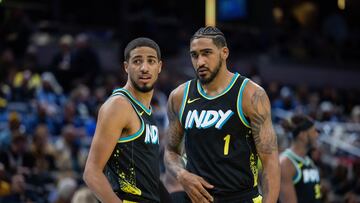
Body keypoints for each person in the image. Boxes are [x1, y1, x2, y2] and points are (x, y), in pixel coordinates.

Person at [164, 26, 280, 203]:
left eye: (206, 53)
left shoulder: (250, 94)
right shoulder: (179, 97)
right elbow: (170, 151)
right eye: (194, 55)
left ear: (224, 52)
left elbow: (270, 161)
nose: (200, 61)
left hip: (241, 197)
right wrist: (182, 175)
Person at [83, 37, 165, 202]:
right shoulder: (118, 105)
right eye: (137, 61)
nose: (144, 68)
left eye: (151, 61)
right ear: (126, 67)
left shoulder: (148, 111)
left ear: (159, 67)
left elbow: (149, 180)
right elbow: (91, 172)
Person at [279, 114, 322, 203]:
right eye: (314, 131)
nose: (317, 135)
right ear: (302, 135)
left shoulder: (309, 161)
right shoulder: (285, 164)